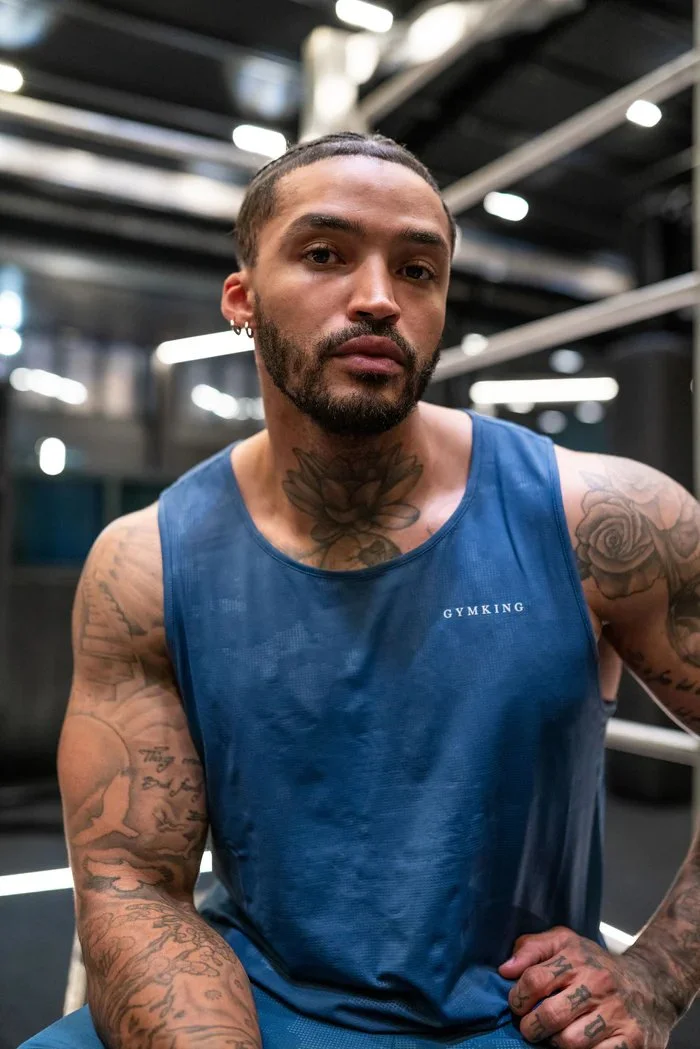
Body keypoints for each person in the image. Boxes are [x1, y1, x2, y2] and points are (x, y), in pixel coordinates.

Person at [22, 132, 700, 1049]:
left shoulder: (605, 520)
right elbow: (133, 884)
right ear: (242, 301)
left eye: (417, 269)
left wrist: (657, 974)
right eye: (324, 254)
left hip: (515, 1018)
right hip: (236, 1002)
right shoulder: (144, 563)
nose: (379, 297)